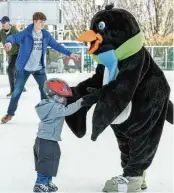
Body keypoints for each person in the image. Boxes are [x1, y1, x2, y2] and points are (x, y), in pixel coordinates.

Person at [1, 12, 80, 124]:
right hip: (24, 68)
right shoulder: (26, 33)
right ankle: (10, 113)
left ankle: (46, 114)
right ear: (35, 22)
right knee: (17, 91)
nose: (43, 24)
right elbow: (14, 37)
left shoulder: (45, 35)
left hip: (39, 68)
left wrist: (70, 54)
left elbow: (56, 45)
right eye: (40, 22)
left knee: (45, 90)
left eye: (44, 22)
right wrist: (8, 42)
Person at [33, 78, 90, 192]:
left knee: (51, 159)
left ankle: (47, 182)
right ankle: (40, 183)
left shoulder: (48, 104)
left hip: (46, 139)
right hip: (47, 140)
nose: (64, 100)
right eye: (61, 97)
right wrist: (82, 101)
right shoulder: (53, 107)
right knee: (47, 160)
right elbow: (68, 110)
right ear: (52, 95)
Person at [0, 16, 26, 97]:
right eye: (1, 22)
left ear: (8, 23)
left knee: (10, 70)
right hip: (10, 54)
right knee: (14, 72)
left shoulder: (14, 31)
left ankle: (13, 91)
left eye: (4, 22)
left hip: (18, 54)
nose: (2, 24)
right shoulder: (1, 32)